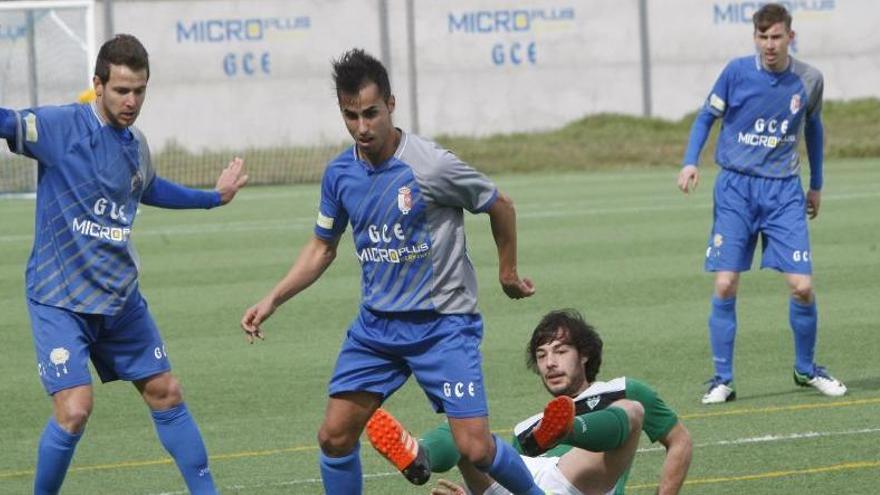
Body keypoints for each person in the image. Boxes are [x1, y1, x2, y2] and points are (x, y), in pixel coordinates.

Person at [239, 48, 542, 494]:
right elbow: (323, 247)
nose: (362, 127)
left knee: (475, 449)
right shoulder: (340, 173)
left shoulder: (431, 165)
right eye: (350, 116)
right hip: (377, 330)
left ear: (392, 106)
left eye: (371, 113)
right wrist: (272, 298)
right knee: (334, 437)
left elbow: (500, 205)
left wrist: (507, 272)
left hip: (442, 327)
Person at [1, 34, 248, 494]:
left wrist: (214, 198)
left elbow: (148, 188)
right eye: (121, 90)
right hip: (60, 299)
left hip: (119, 300)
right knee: (74, 410)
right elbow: (6, 121)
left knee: (166, 393)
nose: (131, 101)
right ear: (97, 84)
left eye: (139, 90)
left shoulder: (135, 143)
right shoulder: (59, 127)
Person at [676, 3, 847, 404]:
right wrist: (690, 162)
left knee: (802, 287)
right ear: (755, 38)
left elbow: (815, 129)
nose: (770, 45)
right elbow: (705, 118)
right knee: (725, 282)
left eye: (777, 37)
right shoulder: (736, 72)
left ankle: (806, 370)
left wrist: (816, 184)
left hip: (784, 192)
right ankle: (722, 379)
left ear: (791, 36)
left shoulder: (809, 79)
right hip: (736, 190)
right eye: (763, 37)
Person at [367, 309, 693, 495]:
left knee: (631, 410)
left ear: (586, 355)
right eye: (541, 355)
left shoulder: (622, 389)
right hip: (536, 482)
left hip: (579, 482)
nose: (550, 363)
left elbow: (679, 441)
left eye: (560, 351)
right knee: (468, 435)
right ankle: (419, 455)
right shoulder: (528, 430)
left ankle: (570, 429)